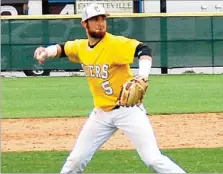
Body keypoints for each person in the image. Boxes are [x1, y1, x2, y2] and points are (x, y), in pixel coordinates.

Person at [34, 3, 186, 174]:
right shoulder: (81, 47)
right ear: (85, 24)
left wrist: (142, 76)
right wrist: (46, 52)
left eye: (103, 19)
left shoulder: (114, 43)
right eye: (95, 19)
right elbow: (63, 48)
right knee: (75, 161)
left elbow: (143, 50)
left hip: (128, 111)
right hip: (101, 114)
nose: (100, 23)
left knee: (152, 159)